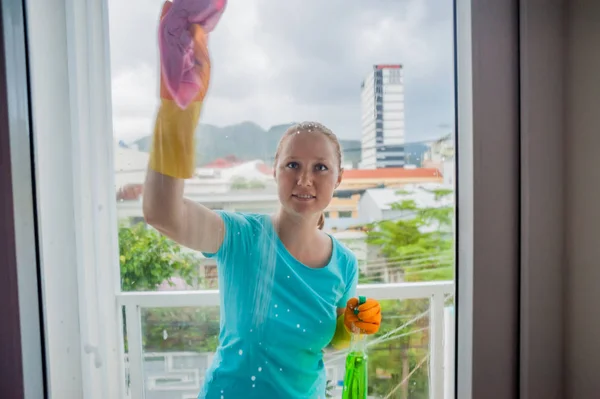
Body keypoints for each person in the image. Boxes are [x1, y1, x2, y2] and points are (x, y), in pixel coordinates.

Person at [142, 3, 381, 398]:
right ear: (274, 170)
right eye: (293, 164)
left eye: (321, 167)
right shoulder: (241, 237)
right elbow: (162, 212)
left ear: (340, 178)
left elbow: (327, 340)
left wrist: (351, 327)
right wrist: (176, 111)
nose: (305, 178)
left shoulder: (345, 263)